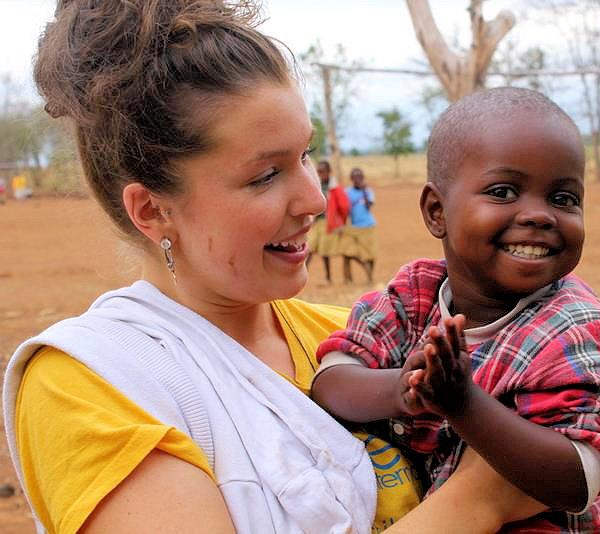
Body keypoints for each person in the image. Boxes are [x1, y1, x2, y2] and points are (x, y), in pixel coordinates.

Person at [2, 2, 545, 533]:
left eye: (306, 155)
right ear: (152, 210)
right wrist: (480, 499)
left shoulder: (354, 340)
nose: (313, 198)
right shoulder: (92, 384)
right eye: (265, 175)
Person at [312, 87, 600, 532]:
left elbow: (577, 480)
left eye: (563, 199)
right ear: (436, 211)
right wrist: (402, 389)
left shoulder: (578, 329)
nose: (540, 215)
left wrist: (464, 404)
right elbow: (330, 382)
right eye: (504, 191)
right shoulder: (413, 297)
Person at [307, 159, 349, 284]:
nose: (320, 174)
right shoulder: (316, 185)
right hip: (317, 222)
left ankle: (328, 278)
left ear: (329, 171)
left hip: (328, 223)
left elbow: (344, 206)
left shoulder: (335, 188)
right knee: (309, 248)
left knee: (325, 252)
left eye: (322, 171)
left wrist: (341, 222)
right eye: (318, 171)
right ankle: (300, 276)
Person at [342, 167, 377, 284]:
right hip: (354, 227)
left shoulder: (368, 192)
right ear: (351, 179)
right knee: (347, 252)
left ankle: (369, 278)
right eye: (355, 177)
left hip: (368, 226)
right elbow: (345, 209)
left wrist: (364, 192)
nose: (358, 179)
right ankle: (348, 279)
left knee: (370, 255)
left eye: (360, 177)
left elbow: (369, 206)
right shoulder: (347, 192)